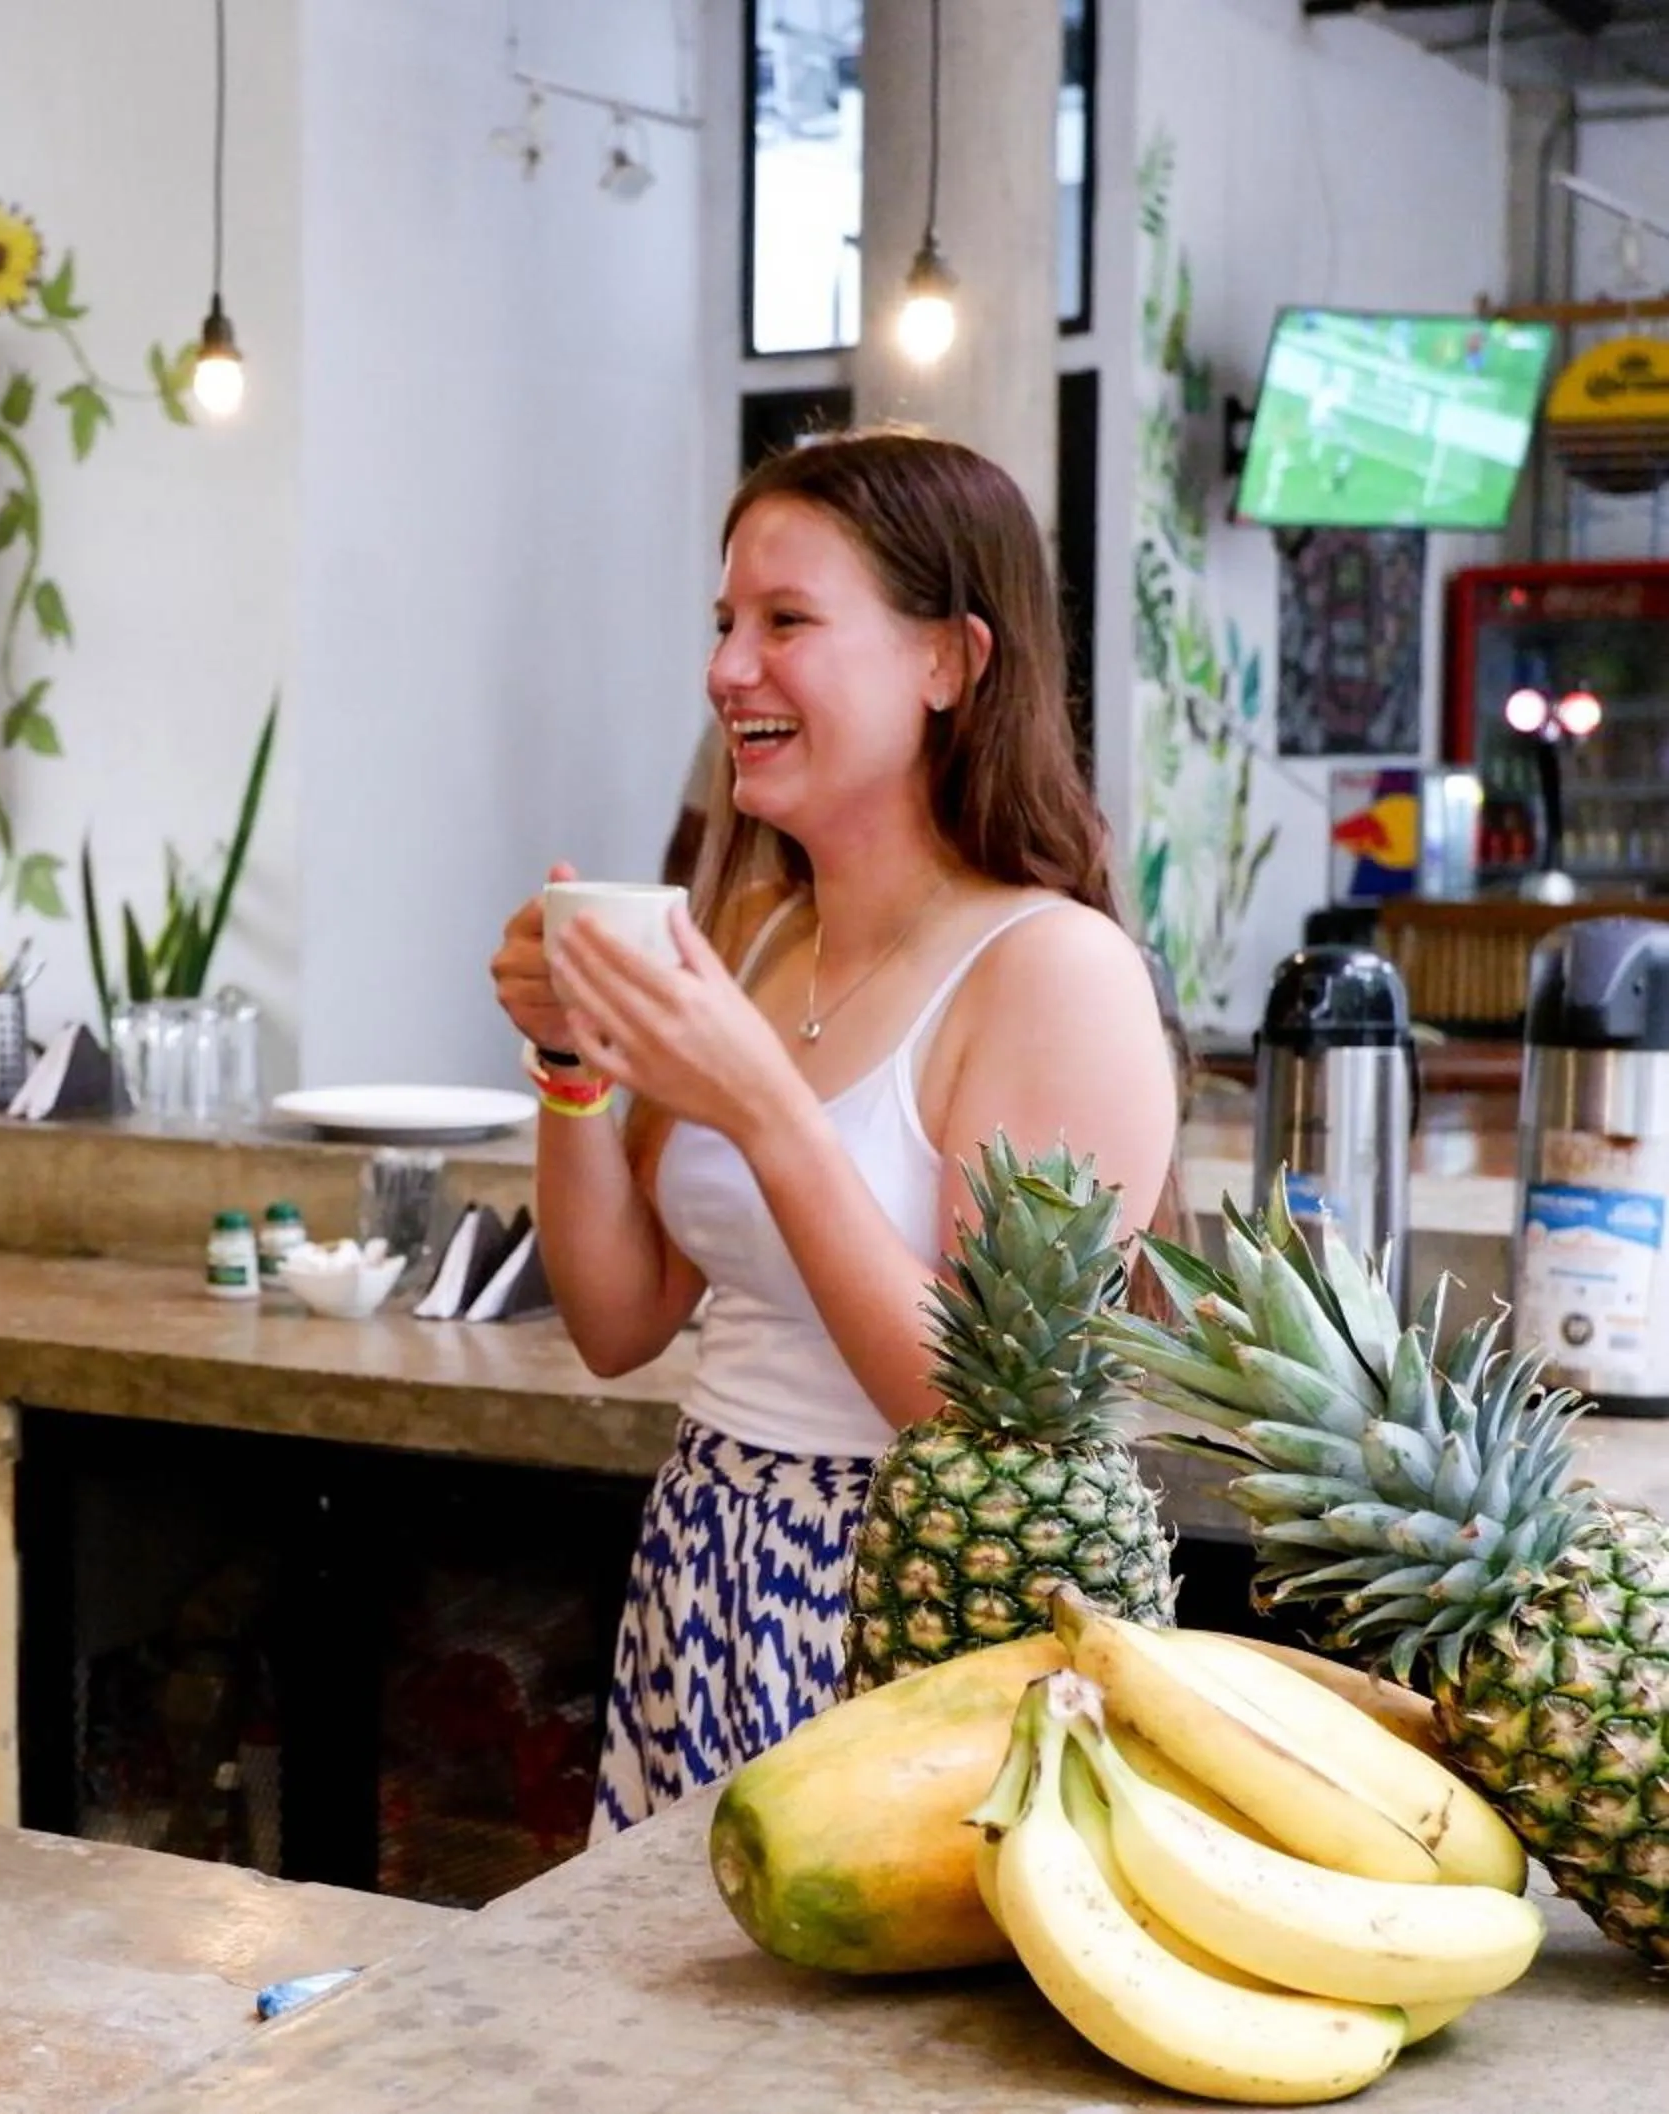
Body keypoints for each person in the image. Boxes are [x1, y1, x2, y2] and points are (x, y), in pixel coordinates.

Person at [485, 429, 1178, 1836]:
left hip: (912, 1607)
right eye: (724, 622)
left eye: (787, 621)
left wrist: (763, 1107)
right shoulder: (754, 934)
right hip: (708, 1558)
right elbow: (618, 1321)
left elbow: (984, 1422)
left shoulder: (1056, 971)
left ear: (949, 663)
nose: (728, 668)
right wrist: (570, 1064)